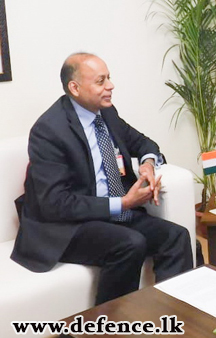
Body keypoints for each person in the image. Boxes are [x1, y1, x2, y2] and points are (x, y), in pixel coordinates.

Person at [11, 53, 193, 305]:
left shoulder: (105, 113)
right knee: (130, 243)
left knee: (177, 236)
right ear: (74, 87)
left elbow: (143, 143)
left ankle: (173, 318)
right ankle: (108, 329)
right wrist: (124, 203)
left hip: (112, 213)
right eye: (100, 81)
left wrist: (148, 164)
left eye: (109, 77)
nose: (110, 86)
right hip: (67, 225)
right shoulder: (49, 131)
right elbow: (55, 203)